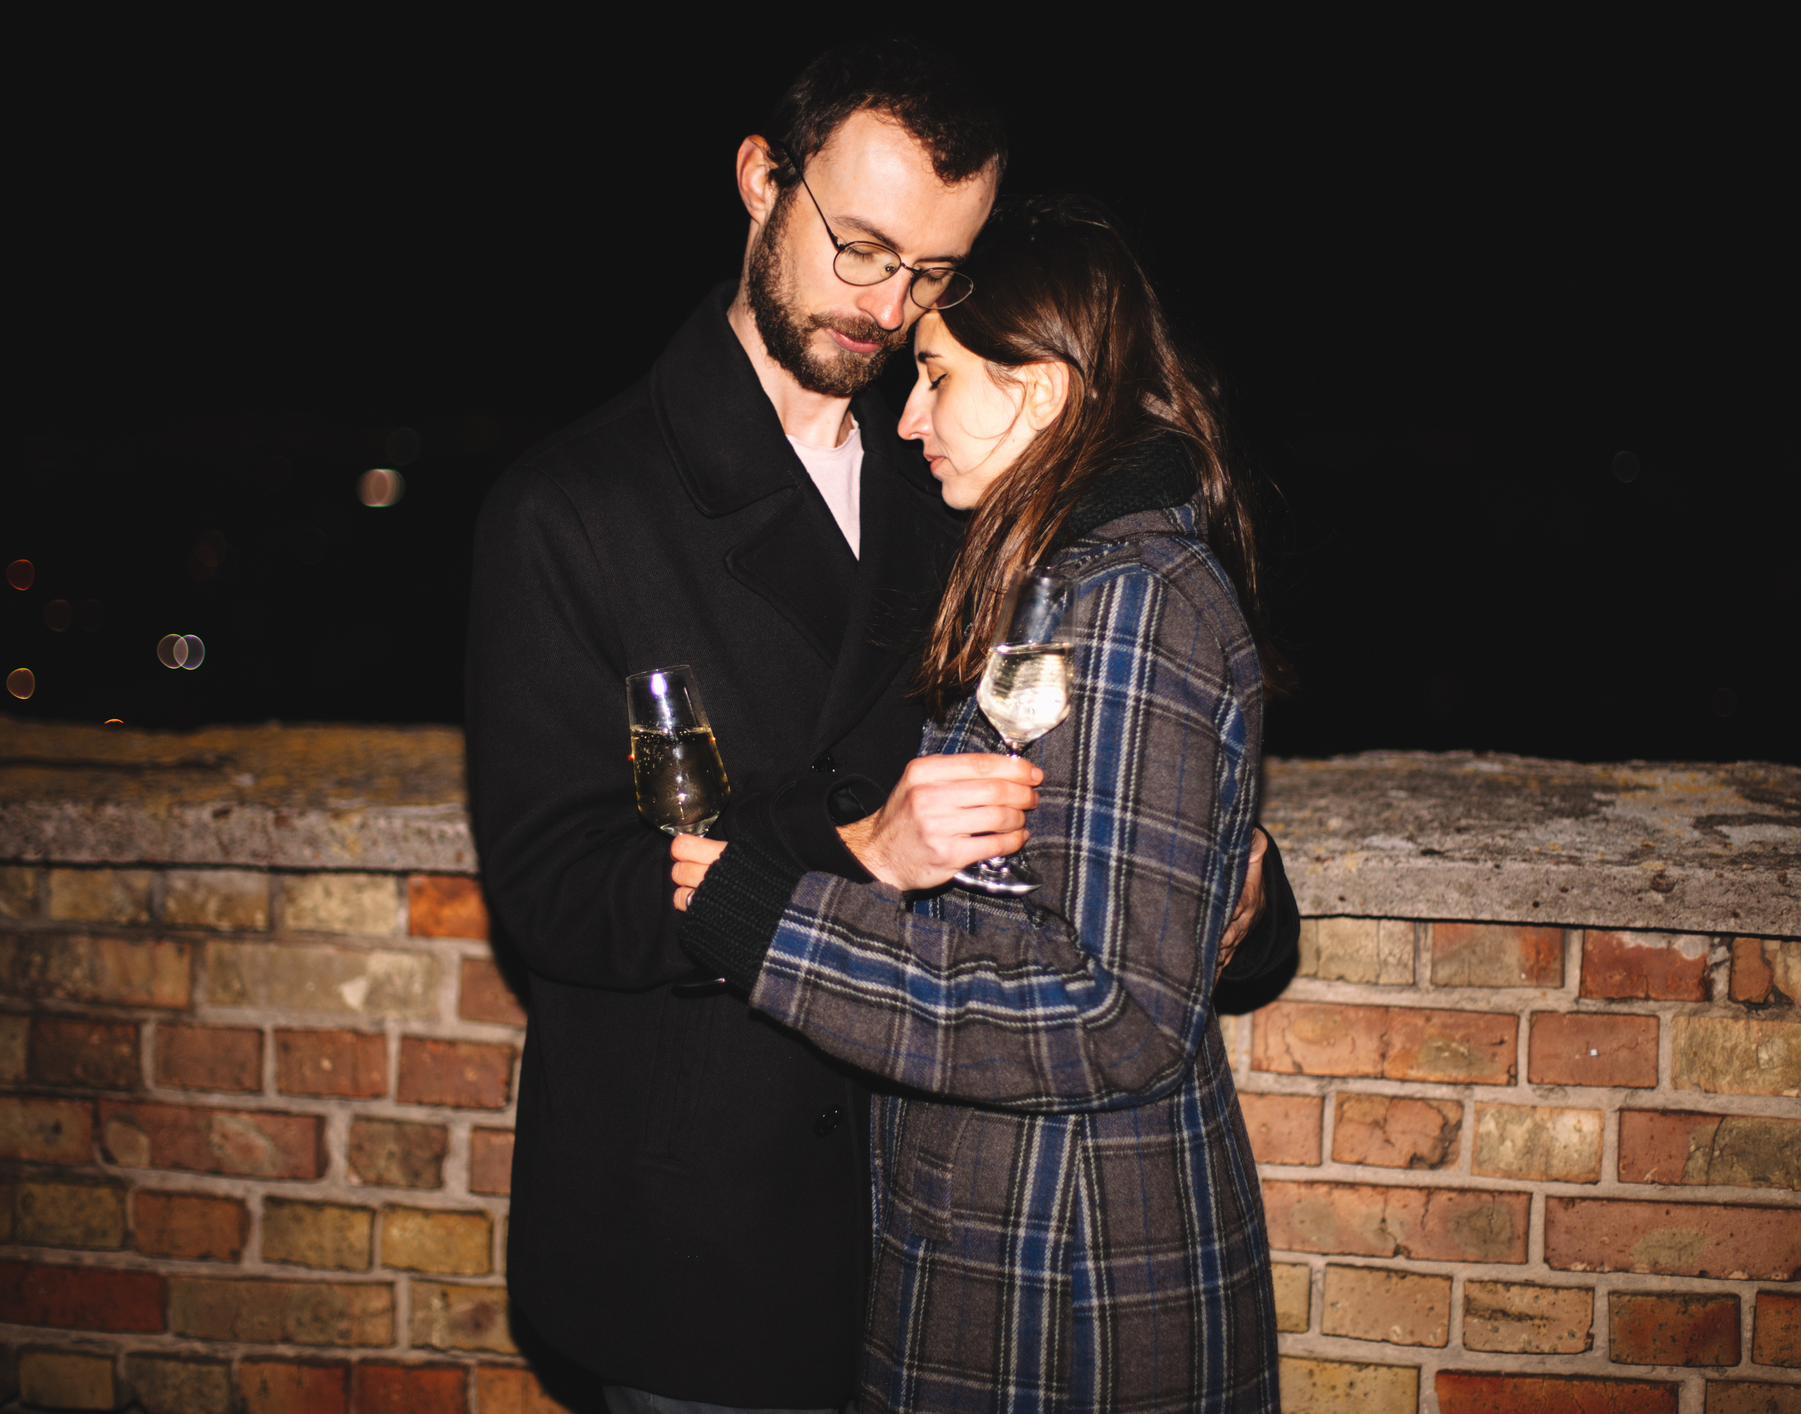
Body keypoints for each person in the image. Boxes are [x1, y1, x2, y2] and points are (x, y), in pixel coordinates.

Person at [465, 42, 1014, 1410]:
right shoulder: (568, 509)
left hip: (925, 1228)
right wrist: (848, 848)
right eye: (863, 248)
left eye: (936, 274)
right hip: (688, 1243)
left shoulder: (955, 469)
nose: (889, 307)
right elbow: (556, 893)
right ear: (762, 179)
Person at [671, 197, 1286, 1410]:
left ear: (1042, 390)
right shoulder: (1060, 583)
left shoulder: (1130, 603)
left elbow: (1111, 1011)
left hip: (1072, 1284)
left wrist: (776, 929)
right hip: (1007, 1243)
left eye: (939, 377)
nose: (907, 418)